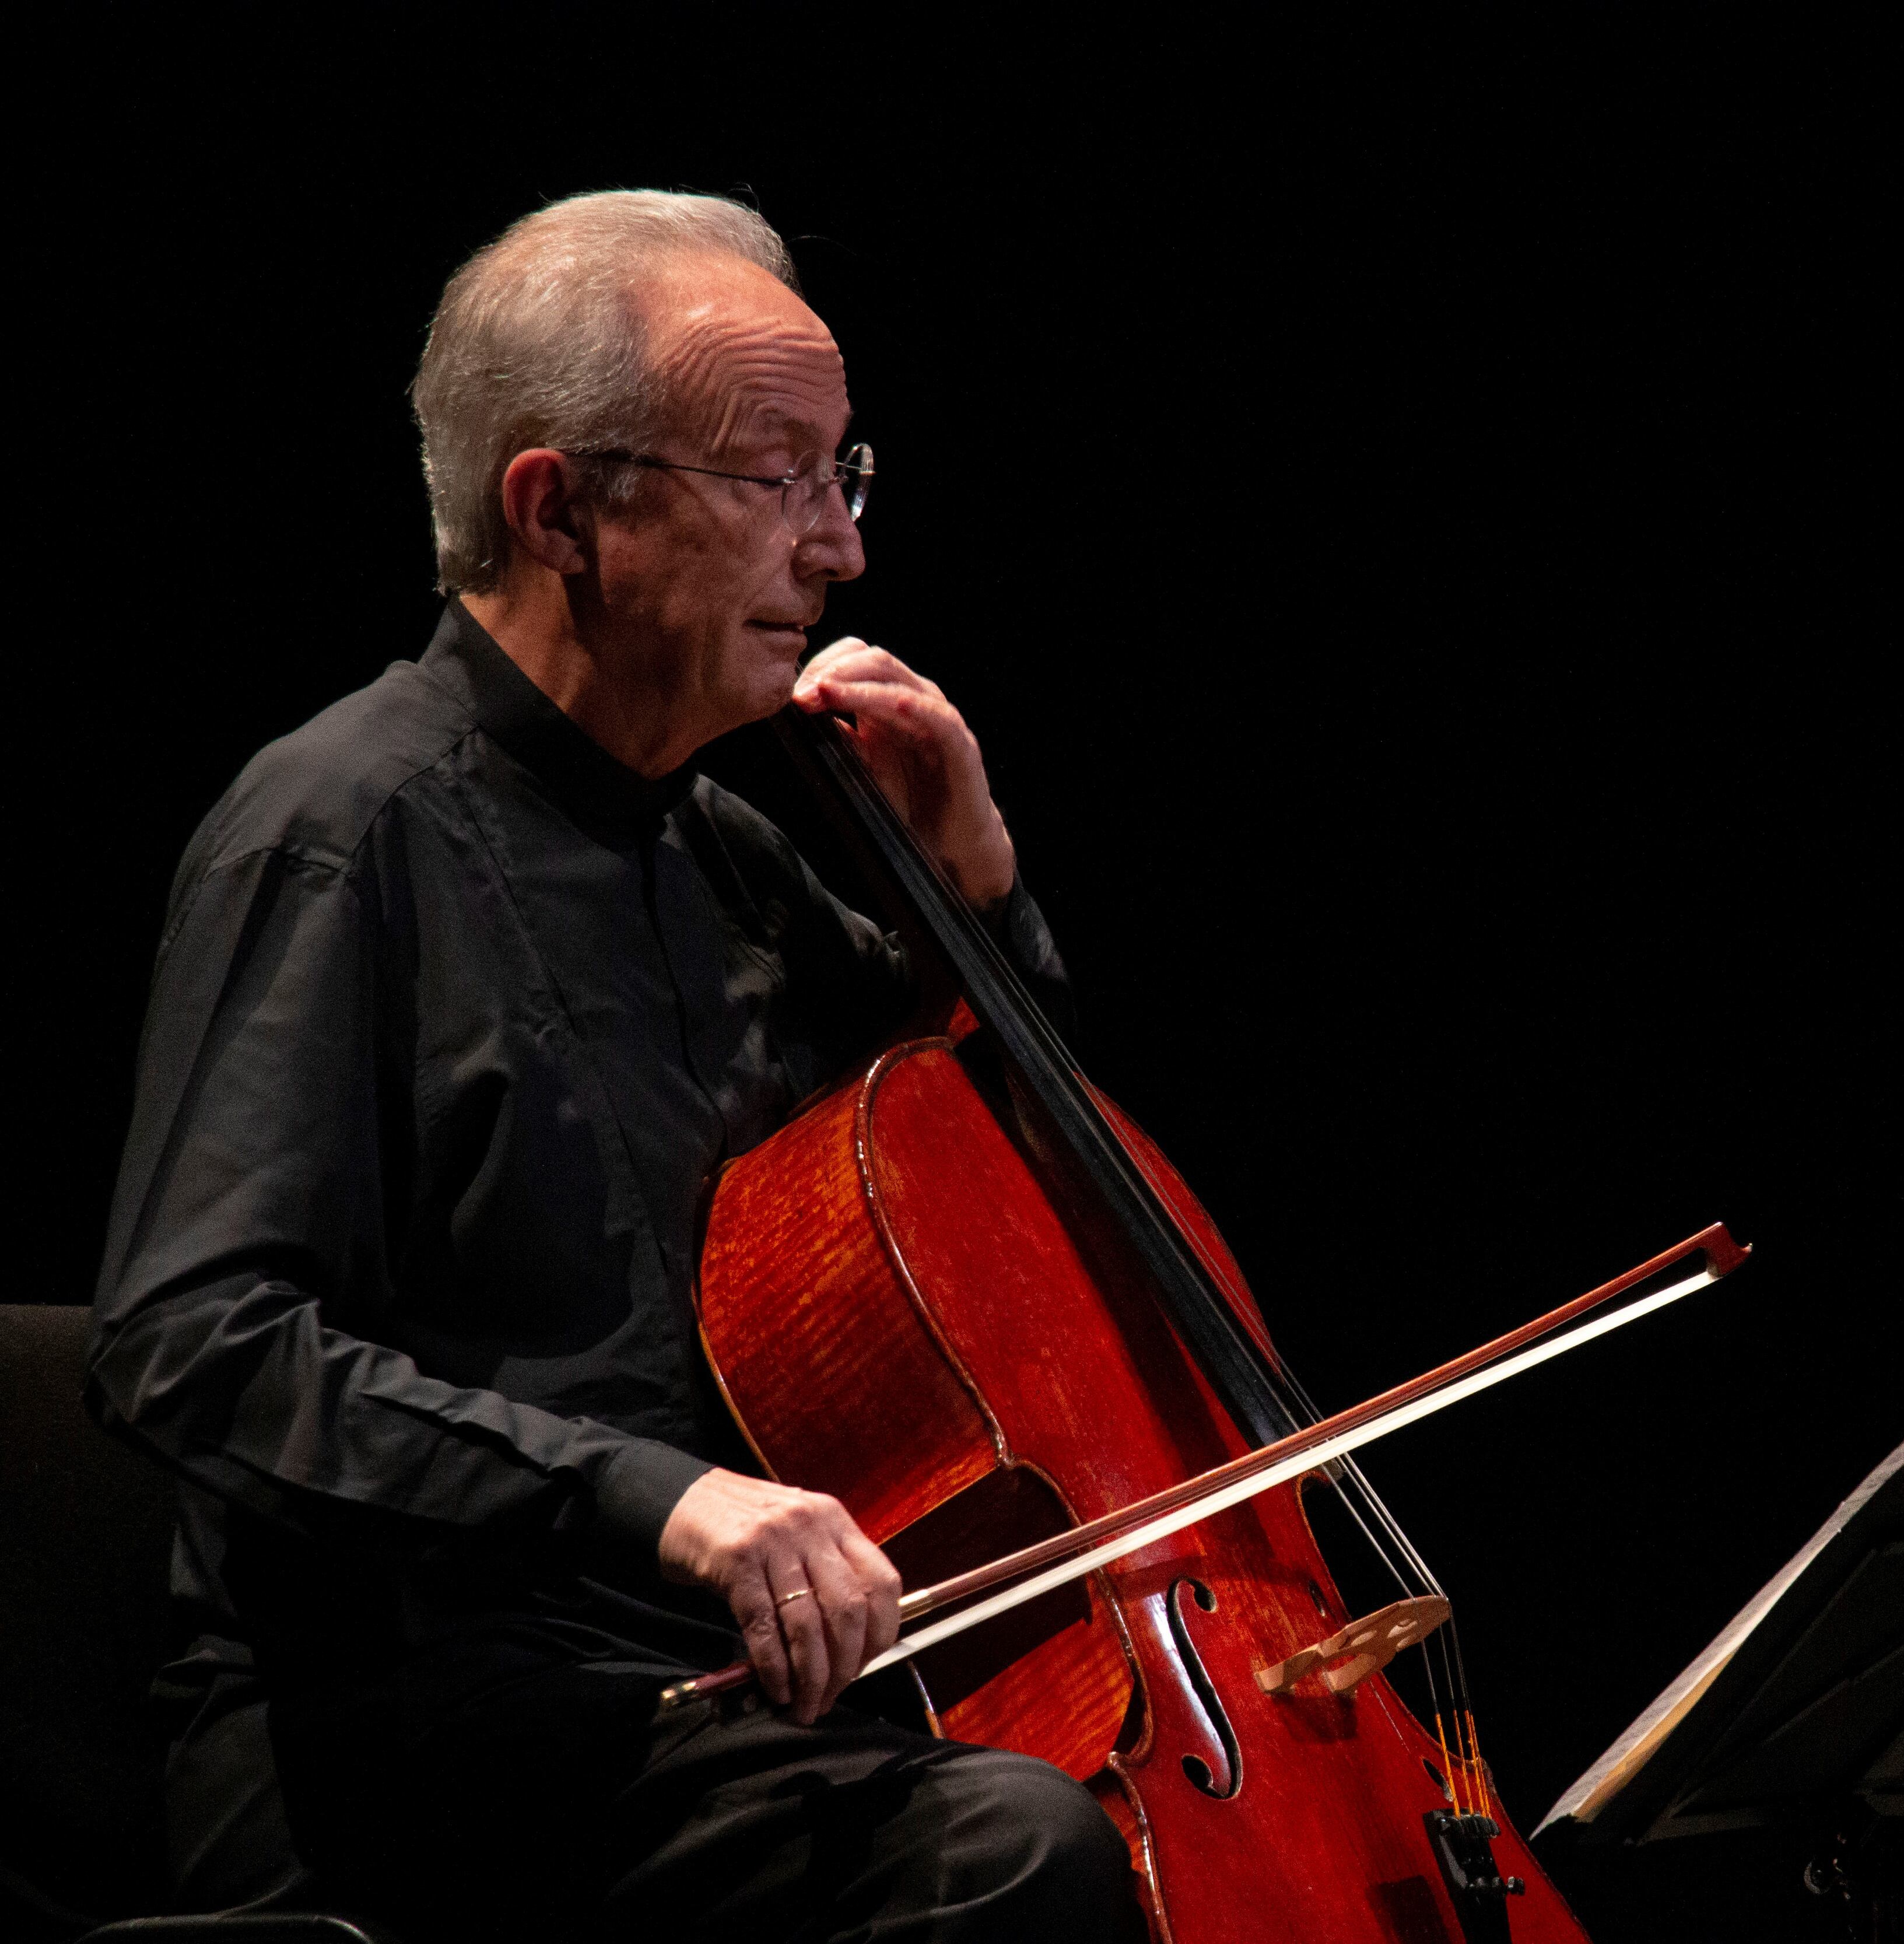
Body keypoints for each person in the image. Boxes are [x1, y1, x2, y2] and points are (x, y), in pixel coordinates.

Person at [87, 191, 1146, 1941]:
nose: (840, 551)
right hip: (410, 1746)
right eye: (777, 478)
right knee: (1008, 1854)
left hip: (733, 1718)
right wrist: (664, 1506)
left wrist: (977, 901)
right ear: (559, 507)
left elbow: (1004, 1213)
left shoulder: (721, 847)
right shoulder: (342, 834)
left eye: (843, 476)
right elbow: (193, 1347)